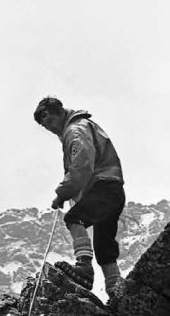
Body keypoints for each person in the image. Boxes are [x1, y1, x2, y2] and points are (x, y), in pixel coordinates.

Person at [32, 96, 125, 298]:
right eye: (45, 126)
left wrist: (62, 193)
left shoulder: (75, 130)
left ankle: (84, 267)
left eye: (49, 121)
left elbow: (82, 165)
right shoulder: (82, 127)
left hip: (103, 185)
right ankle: (117, 292)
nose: (50, 128)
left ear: (59, 113)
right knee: (104, 247)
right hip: (114, 188)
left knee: (74, 218)